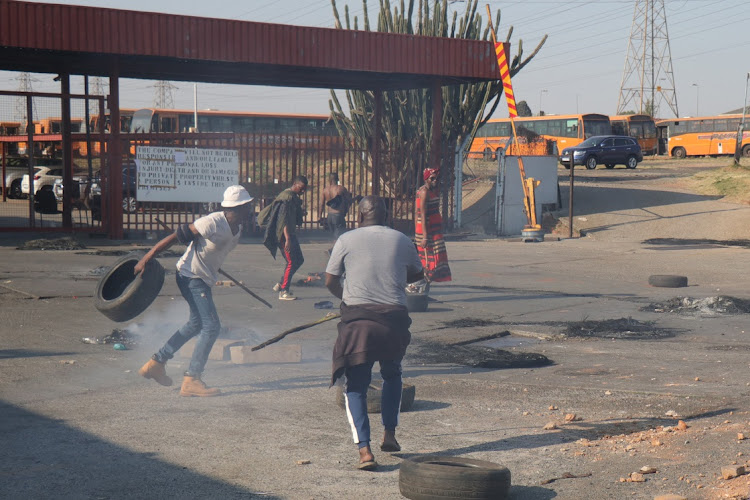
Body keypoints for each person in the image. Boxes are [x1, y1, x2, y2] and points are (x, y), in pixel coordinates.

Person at [325, 195, 424, 471]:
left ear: (359, 216)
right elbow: (417, 274)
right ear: (387, 216)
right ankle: (390, 435)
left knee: (355, 384)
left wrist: (345, 300)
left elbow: (330, 280)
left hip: (359, 323)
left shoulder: (346, 239)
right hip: (393, 320)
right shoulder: (402, 240)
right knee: (392, 374)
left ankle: (365, 452)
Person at [137, 185, 253, 397]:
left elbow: (214, 249)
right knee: (211, 326)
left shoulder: (238, 228)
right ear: (240, 207)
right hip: (191, 276)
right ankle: (192, 378)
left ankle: (156, 363)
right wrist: (147, 257)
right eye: (248, 206)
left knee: (196, 323)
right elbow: (176, 236)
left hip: (203, 277)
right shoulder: (211, 222)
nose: (251, 209)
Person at [258, 176, 308, 301]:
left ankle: (281, 283)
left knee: (299, 260)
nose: (303, 192)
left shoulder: (292, 198)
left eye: (304, 189)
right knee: (291, 262)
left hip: (290, 234)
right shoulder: (286, 199)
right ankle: (284, 291)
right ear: (295, 184)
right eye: (301, 188)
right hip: (284, 235)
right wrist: (287, 239)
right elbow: (283, 220)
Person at [413, 167, 452, 288]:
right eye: (432, 178)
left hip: (433, 230)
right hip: (429, 232)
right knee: (431, 262)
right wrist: (423, 237)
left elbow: (416, 214)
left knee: (435, 260)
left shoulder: (429, 191)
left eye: (437, 178)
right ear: (426, 179)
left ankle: (424, 287)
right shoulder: (424, 192)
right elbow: (421, 215)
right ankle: (420, 287)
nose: (435, 180)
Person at [318, 172, 351, 252]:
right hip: (338, 215)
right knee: (339, 236)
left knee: (334, 235)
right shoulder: (341, 189)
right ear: (338, 179)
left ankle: (334, 250)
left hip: (329, 216)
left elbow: (321, 204)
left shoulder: (325, 190)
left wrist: (319, 216)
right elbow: (348, 201)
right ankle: (334, 251)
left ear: (329, 180)